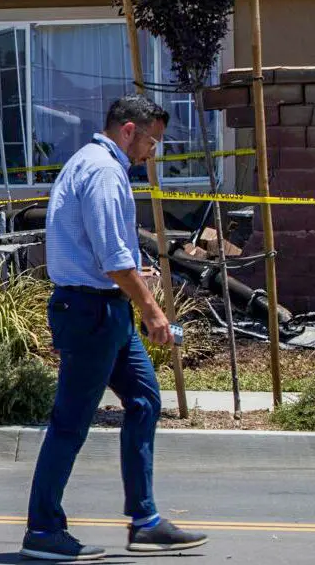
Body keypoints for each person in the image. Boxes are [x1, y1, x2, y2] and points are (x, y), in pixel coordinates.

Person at [19, 96, 208, 561]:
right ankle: (43, 530)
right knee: (70, 421)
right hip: (90, 311)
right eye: (151, 141)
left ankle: (145, 521)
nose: (153, 151)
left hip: (106, 308)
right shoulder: (103, 171)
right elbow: (113, 258)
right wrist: (153, 311)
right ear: (128, 130)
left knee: (145, 400)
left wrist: (132, 290)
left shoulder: (97, 164)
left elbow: (106, 253)